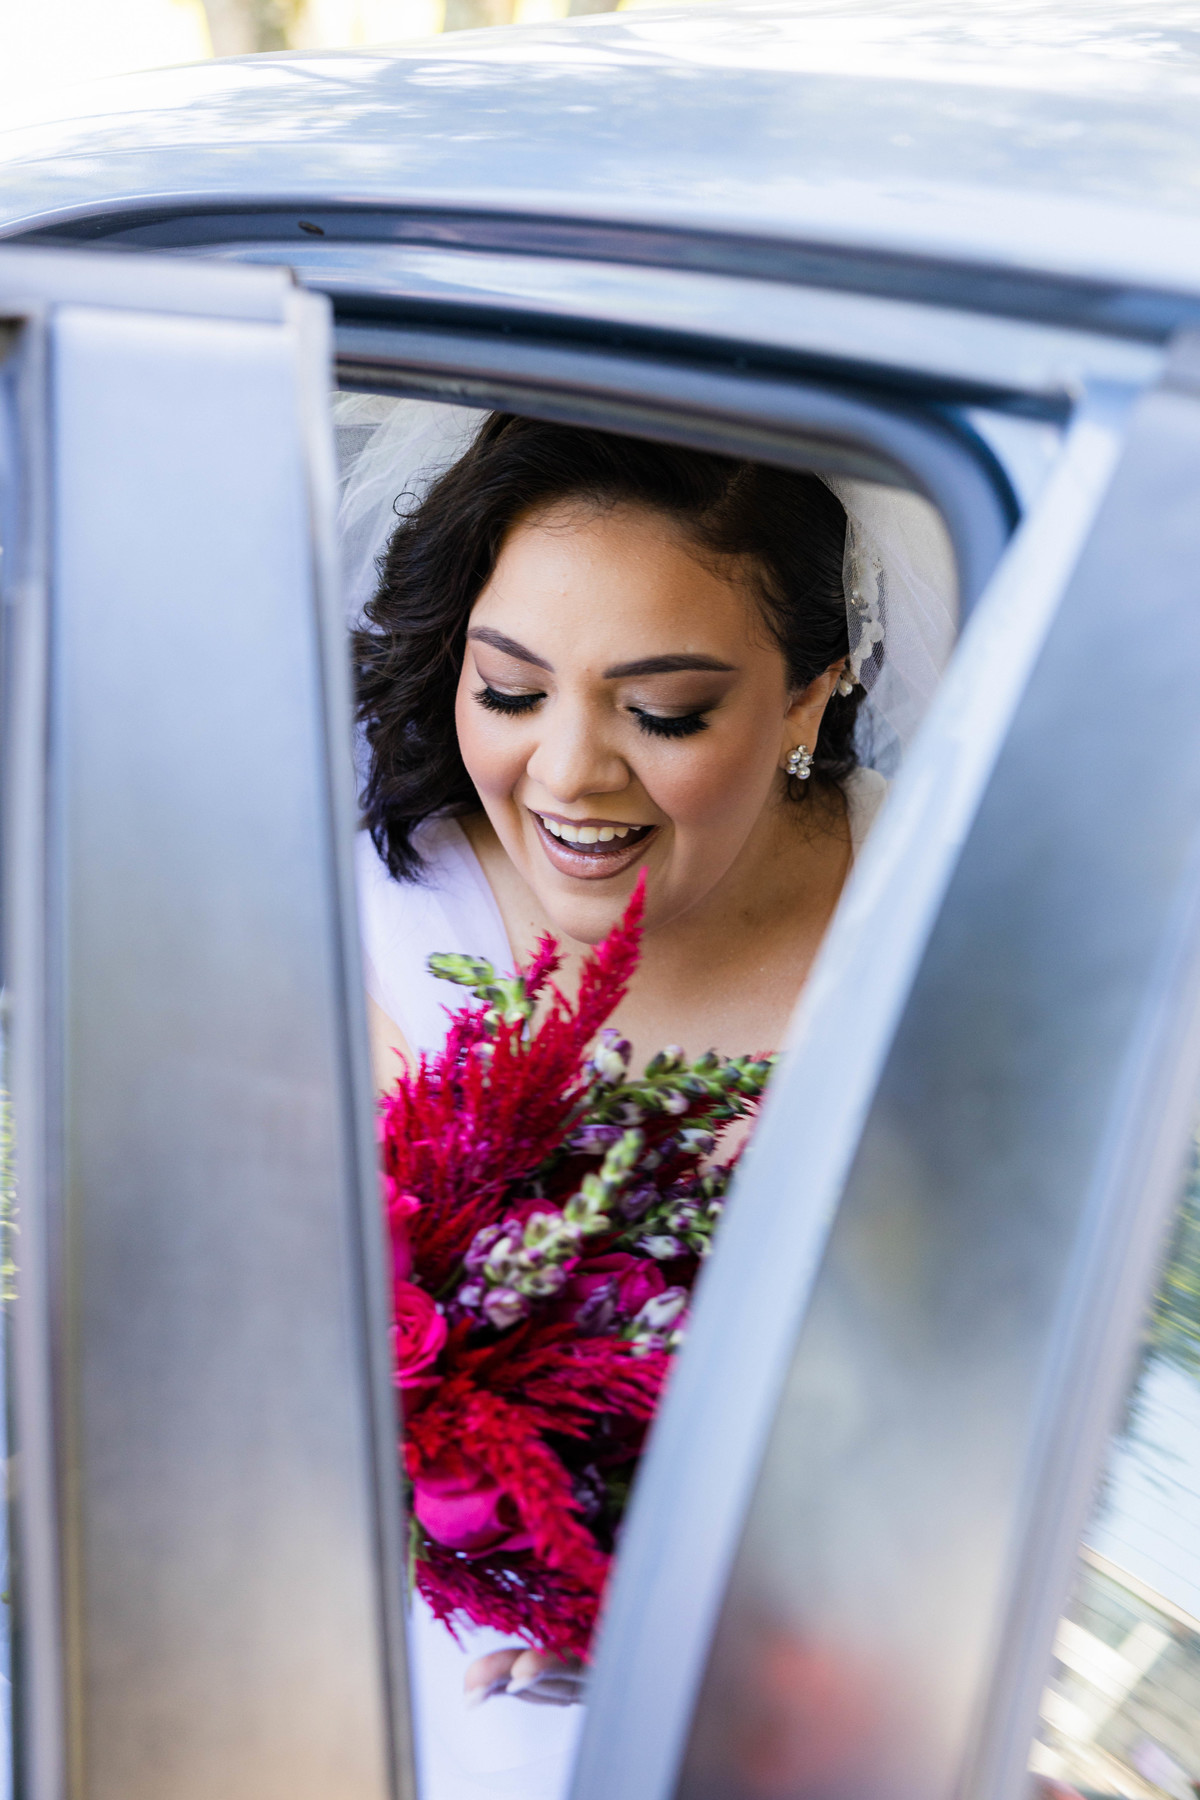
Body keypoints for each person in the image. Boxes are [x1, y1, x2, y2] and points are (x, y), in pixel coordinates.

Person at [342, 400, 956, 1800]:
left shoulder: (939, 940)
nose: (568, 774)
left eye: (664, 712)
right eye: (510, 692)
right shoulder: (377, 924)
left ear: (811, 696)